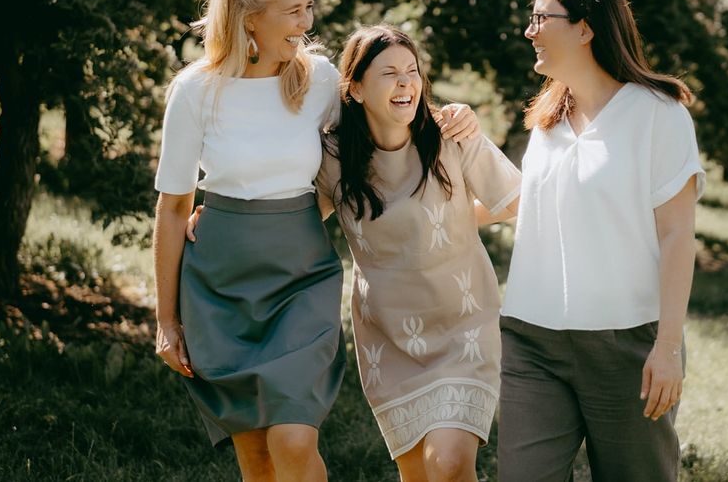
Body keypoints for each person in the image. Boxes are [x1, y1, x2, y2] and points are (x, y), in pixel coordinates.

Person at [151, 0, 476, 482]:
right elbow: (174, 204)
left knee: (294, 440)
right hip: (217, 285)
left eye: (308, 6)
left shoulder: (321, 80)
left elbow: (390, 120)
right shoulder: (194, 91)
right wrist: (167, 319)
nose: (306, 21)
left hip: (300, 278)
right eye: (293, 10)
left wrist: (454, 119)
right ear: (250, 16)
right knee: (255, 455)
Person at [188, 25, 518, 482]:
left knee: (448, 464)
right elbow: (293, 213)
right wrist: (219, 219)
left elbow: (515, 202)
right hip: (390, 337)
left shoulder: (450, 135)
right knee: (418, 474)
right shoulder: (334, 158)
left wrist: (453, 219)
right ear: (357, 88)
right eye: (390, 74)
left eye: (412, 71)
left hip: (464, 329)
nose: (406, 83)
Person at [497, 0, 705, 482]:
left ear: (585, 28)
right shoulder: (548, 117)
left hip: (626, 344)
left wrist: (667, 346)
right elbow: (529, 201)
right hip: (531, 338)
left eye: (541, 18)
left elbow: (678, 235)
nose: (530, 30)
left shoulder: (660, 114)